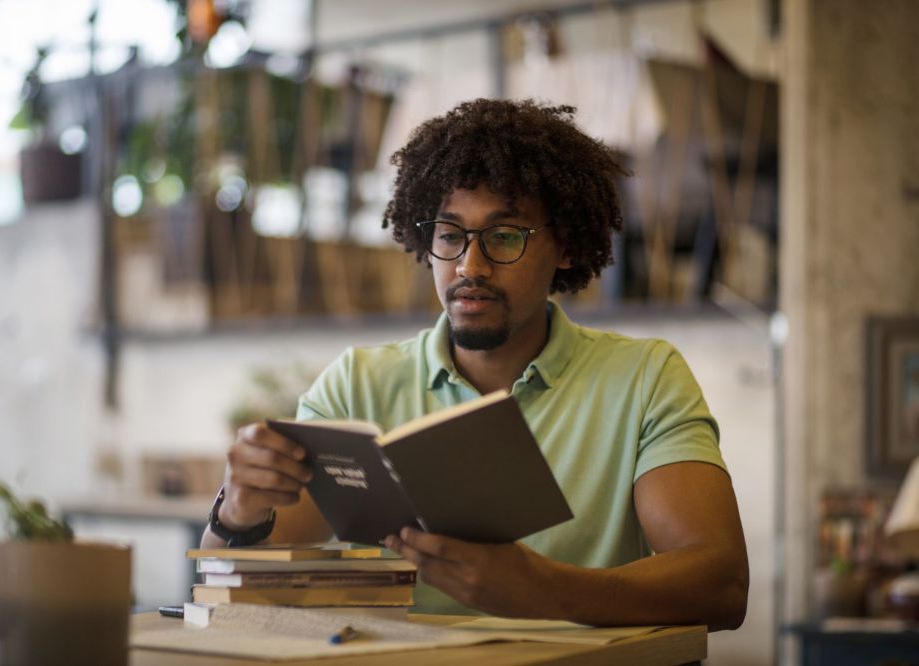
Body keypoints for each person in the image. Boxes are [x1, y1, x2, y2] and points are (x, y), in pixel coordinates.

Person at [200, 98, 749, 631]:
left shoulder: (644, 378)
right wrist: (239, 512)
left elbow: (721, 585)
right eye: (450, 235)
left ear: (567, 246)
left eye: (505, 236)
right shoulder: (356, 384)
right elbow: (240, 584)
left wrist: (544, 589)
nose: (470, 264)